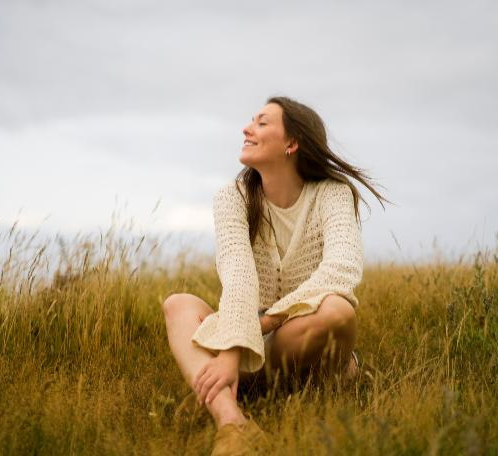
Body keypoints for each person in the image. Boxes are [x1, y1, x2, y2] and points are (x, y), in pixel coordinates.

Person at [160, 96, 388, 455]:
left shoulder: (333, 194)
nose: (246, 129)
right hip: (251, 333)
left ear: (291, 143)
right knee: (178, 305)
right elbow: (238, 275)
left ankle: (227, 388)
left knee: (338, 310)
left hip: (298, 334)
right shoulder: (233, 197)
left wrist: (263, 324)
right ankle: (232, 422)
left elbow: (340, 270)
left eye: (262, 123)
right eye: (251, 121)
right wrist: (234, 349)